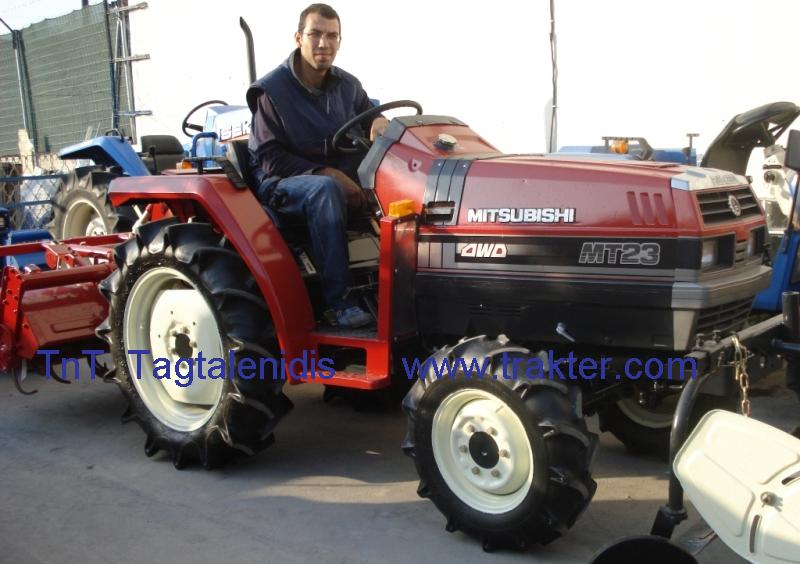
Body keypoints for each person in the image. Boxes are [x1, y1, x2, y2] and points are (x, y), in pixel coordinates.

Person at [246, 3, 387, 329]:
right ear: (299, 38)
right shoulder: (272, 91)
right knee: (325, 189)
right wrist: (328, 173)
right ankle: (340, 303)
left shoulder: (348, 86)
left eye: (332, 36)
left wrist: (380, 124)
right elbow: (269, 157)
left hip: (334, 178)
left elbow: (370, 117)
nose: (324, 43)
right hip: (281, 184)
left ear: (340, 41)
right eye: (315, 34)